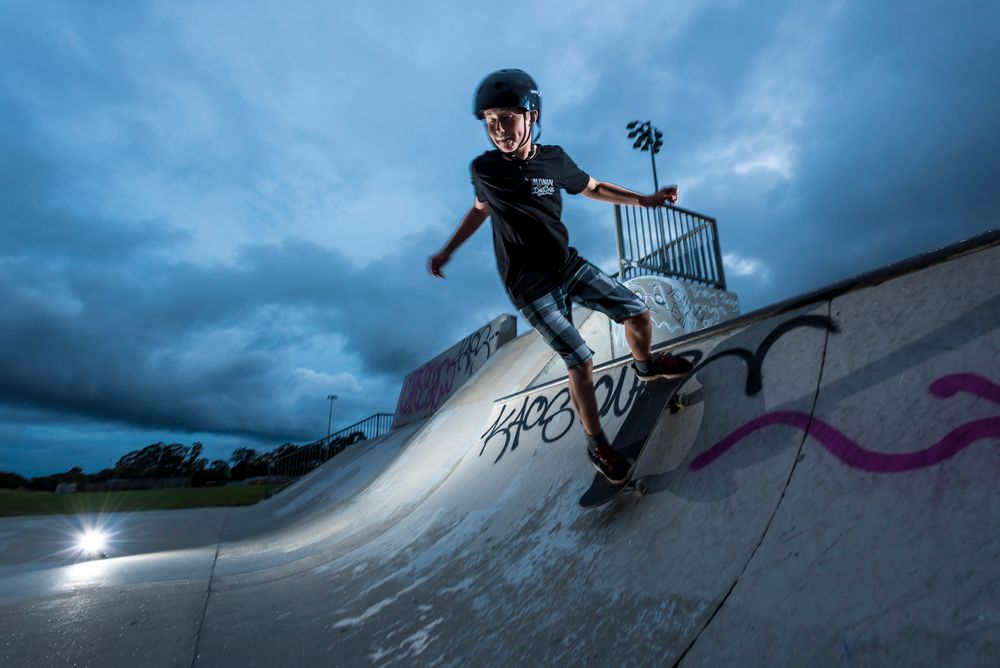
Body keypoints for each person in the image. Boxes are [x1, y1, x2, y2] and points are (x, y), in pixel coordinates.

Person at [428, 68, 692, 483]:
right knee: (581, 359)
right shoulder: (484, 170)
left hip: (568, 266)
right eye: (490, 122)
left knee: (638, 315)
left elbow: (595, 188)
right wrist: (448, 249)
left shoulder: (555, 160)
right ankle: (597, 444)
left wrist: (645, 199)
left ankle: (644, 365)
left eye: (507, 119)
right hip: (530, 287)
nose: (499, 130)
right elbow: (479, 210)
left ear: (531, 115)